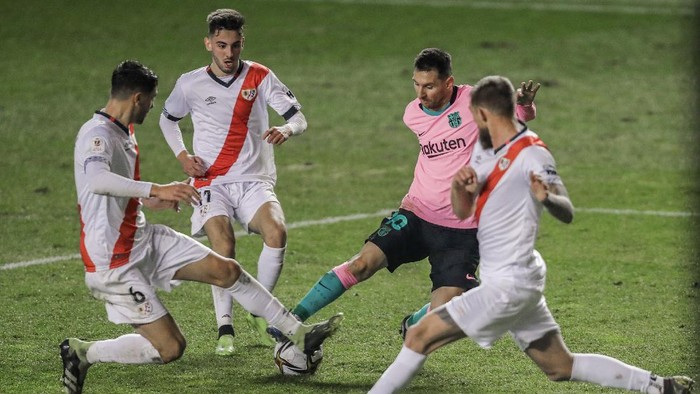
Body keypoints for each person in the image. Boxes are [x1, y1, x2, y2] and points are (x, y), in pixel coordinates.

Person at [368, 75, 694, 394]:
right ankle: (658, 386)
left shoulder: (532, 153)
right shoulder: (485, 149)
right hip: (514, 277)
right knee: (559, 366)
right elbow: (464, 211)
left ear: (484, 113)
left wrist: (548, 198)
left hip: (509, 284)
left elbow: (566, 210)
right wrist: (461, 189)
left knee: (418, 336)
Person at [62, 60, 342, 394]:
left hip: (143, 239)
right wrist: (156, 189)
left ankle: (297, 331)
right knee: (170, 348)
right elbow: (95, 180)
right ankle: (83, 352)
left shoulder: (124, 134)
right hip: (113, 261)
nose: (153, 107)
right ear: (138, 98)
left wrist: (149, 201)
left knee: (227, 271)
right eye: (151, 100)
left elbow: (113, 191)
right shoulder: (98, 134)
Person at [282, 48, 539, 335]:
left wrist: (526, 105)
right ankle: (287, 322)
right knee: (361, 264)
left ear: (448, 83)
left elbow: (516, 116)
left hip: (463, 230)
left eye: (429, 86)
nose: (421, 94)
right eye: (416, 84)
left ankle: (412, 326)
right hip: (418, 213)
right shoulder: (412, 114)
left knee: (448, 310)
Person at [159, 8, 307, 354]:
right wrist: (182, 157)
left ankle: (259, 311)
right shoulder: (190, 83)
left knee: (277, 232)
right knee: (223, 246)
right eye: (221, 45)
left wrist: (286, 129)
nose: (228, 54)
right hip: (212, 182)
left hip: (254, 179)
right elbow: (168, 121)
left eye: (235, 46)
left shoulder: (260, 76)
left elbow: (298, 117)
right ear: (208, 43)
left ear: (243, 44)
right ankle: (225, 327)